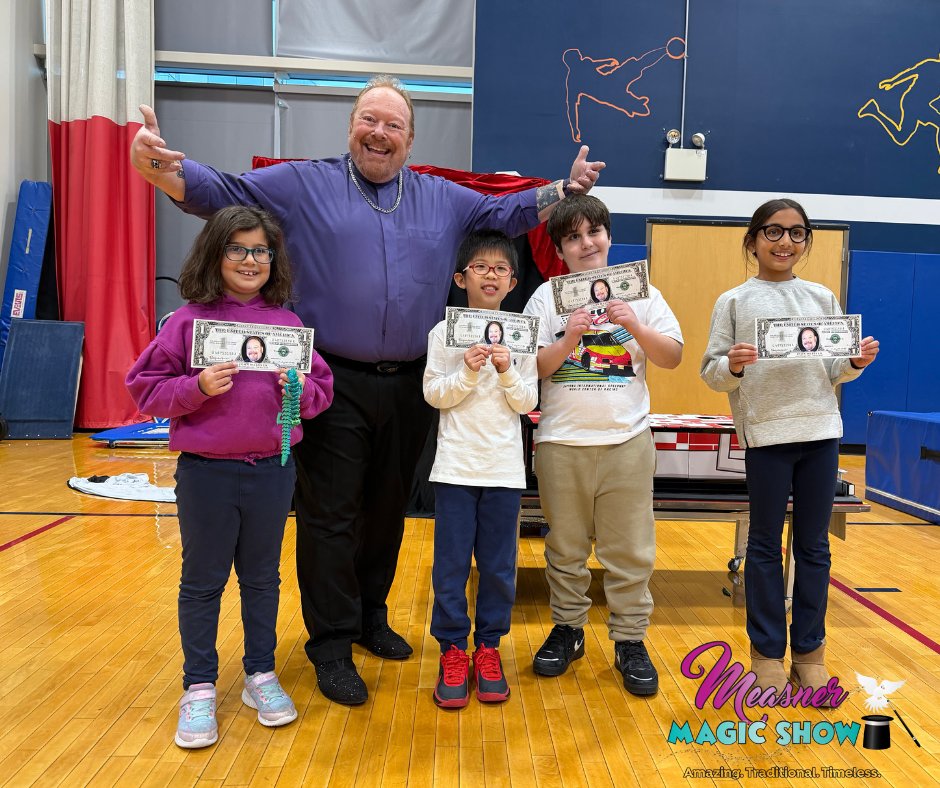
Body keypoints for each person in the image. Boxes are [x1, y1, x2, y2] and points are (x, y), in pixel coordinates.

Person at [130, 74, 605, 705]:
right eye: (368, 120)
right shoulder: (302, 184)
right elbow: (228, 192)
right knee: (330, 515)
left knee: (387, 509)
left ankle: (369, 619)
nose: (378, 132)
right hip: (332, 377)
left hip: (411, 380)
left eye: (393, 125)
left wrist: (562, 190)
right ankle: (328, 642)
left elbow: (503, 211)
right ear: (351, 127)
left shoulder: (444, 196)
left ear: (411, 140)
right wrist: (169, 168)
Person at [126, 206, 334, 748]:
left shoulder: (289, 326)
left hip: (272, 473)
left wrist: (300, 392)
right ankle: (198, 686)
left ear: (274, 259)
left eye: (259, 251)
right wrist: (195, 389)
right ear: (216, 255)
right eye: (236, 249)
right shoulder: (187, 322)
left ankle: (259, 674)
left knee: (263, 579)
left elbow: (320, 395)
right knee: (202, 583)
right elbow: (143, 387)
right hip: (206, 476)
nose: (248, 260)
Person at [700, 198, 879, 697]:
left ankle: (810, 653)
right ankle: (765, 654)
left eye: (797, 233)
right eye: (774, 232)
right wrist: (733, 365)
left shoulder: (822, 297)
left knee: (815, 547)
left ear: (807, 242)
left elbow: (834, 370)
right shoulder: (734, 301)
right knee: (762, 546)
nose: (785, 242)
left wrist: (857, 362)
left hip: (821, 433)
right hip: (767, 437)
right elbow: (712, 374)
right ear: (753, 239)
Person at [522, 195, 683, 696]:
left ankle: (629, 639)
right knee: (564, 548)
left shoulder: (644, 293)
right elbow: (532, 372)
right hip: (560, 443)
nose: (586, 243)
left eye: (594, 232)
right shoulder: (545, 299)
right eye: (573, 237)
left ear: (609, 236)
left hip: (626, 441)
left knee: (630, 551)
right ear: (560, 249)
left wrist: (632, 323)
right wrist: (569, 338)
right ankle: (568, 630)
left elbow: (673, 356)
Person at [423, 230, 538, 708]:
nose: (490, 275)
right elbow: (434, 394)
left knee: (497, 567)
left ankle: (488, 648)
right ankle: (453, 649)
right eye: (480, 267)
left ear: (512, 282)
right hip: (454, 469)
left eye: (500, 269)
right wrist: (468, 370)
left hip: (504, 471)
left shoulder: (522, 335)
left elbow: (527, 401)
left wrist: (508, 368)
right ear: (460, 277)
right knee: (450, 568)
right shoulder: (443, 333)